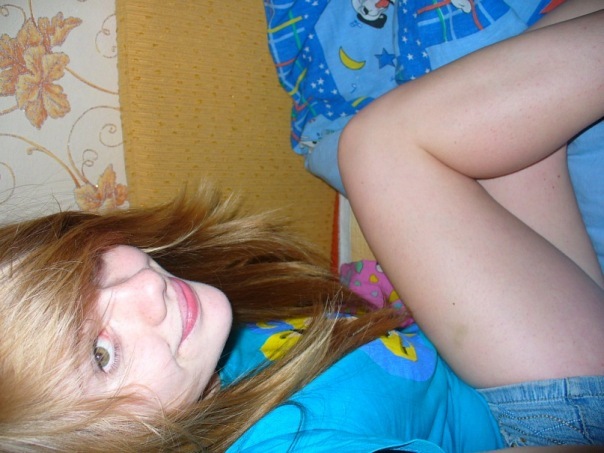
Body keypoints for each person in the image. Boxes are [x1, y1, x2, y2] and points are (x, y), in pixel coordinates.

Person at [1, 6, 602, 453]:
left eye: (89, 273)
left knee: (529, 70)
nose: (141, 289)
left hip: (496, 351)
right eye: (101, 355)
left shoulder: (200, 363)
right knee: (377, 148)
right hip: (543, 420)